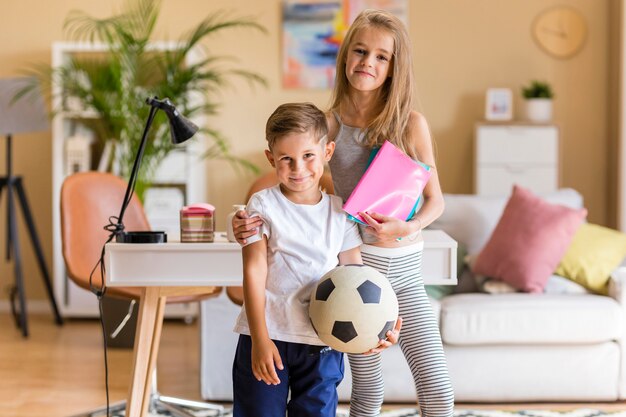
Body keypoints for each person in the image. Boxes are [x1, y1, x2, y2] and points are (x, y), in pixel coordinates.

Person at [233, 9, 454, 417]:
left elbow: (435, 201)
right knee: (367, 392)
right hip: (354, 277)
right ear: (345, 56)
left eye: (381, 57)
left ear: (394, 67)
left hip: (404, 273)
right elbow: (303, 196)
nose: (368, 62)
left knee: (438, 391)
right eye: (360, 51)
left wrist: (409, 226)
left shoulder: (410, 125)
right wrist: (251, 220)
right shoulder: (328, 127)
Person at [232, 102, 363, 417]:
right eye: (286, 159)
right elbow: (253, 271)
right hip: (268, 335)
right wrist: (260, 339)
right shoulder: (262, 205)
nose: (298, 168)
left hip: (322, 342)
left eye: (308, 156)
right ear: (270, 158)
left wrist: (373, 325)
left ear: (327, 152)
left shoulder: (340, 212)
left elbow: (356, 278)